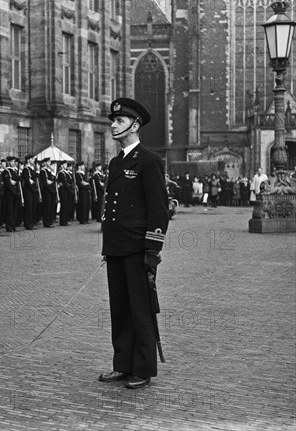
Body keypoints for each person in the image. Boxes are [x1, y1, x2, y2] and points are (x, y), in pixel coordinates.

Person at [99, 97, 169, 389]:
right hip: (116, 248)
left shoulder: (150, 160)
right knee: (120, 309)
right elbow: (111, 208)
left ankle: (143, 367)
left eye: (119, 120)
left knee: (141, 310)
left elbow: (159, 210)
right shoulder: (117, 162)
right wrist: (108, 247)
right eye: (113, 121)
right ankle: (122, 364)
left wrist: (152, 251)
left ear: (135, 125)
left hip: (138, 249)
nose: (114, 125)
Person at [2, 156, 21, 232]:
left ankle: (13, 225)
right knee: (9, 210)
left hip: (15, 193)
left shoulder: (14, 171)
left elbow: (17, 180)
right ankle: (9, 226)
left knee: (14, 210)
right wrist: (14, 192)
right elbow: (8, 184)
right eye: (12, 161)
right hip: (9, 193)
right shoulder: (6, 171)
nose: (13, 163)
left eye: (14, 161)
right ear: (8, 162)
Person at [21, 154, 39, 230]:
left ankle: (31, 223)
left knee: (32, 207)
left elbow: (34, 178)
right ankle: (28, 224)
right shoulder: (26, 169)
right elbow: (28, 181)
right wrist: (33, 186)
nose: (33, 161)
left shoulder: (31, 169)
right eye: (32, 159)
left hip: (32, 190)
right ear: (28, 160)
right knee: (29, 207)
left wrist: (37, 171)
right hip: (28, 190)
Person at [39, 157, 57, 227]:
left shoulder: (49, 171)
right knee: (47, 207)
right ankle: (46, 222)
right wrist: (50, 185)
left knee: (51, 206)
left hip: (51, 190)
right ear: (45, 163)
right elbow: (45, 183)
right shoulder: (43, 171)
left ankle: (50, 221)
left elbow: (53, 180)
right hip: (46, 190)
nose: (50, 163)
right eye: (48, 162)